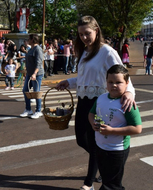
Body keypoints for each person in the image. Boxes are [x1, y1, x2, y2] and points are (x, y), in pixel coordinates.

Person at [55, 16, 135, 190]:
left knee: (93, 142)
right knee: (82, 140)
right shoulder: (84, 51)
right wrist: (69, 81)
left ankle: (88, 183)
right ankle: (101, 162)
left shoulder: (107, 51)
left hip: (99, 102)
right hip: (83, 101)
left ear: (96, 30)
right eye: (81, 34)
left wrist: (128, 92)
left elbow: (123, 74)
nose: (84, 37)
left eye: (87, 33)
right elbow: (84, 77)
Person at [88, 65, 142, 190]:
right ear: (106, 82)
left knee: (112, 185)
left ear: (127, 83)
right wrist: (93, 123)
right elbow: (91, 113)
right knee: (107, 179)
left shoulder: (127, 103)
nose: (114, 85)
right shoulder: (101, 98)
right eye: (110, 82)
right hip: (100, 146)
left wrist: (112, 131)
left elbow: (137, 128)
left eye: (118, 82)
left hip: (117, 150)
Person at [20, 34, 44, 119]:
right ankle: (28, 109)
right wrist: (26, 69)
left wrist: (34, 73)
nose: (27, 40)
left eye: (29, 39)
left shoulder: (38, 49)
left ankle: (38, 110)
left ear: (32, 40)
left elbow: (38, 63)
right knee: (25, 90)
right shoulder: (31, 49)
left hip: (37, 74)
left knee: (36, 92)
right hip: (30, 73)